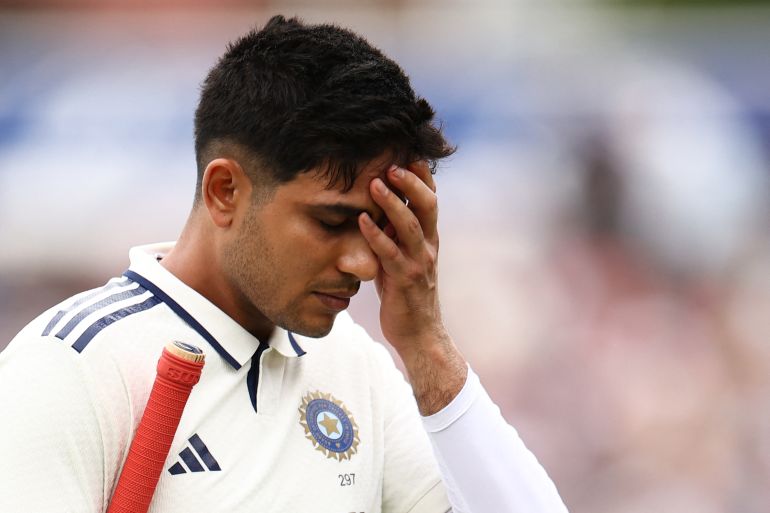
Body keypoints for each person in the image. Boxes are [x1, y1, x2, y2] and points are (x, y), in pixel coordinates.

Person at [0, 15, 568, 513]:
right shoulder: (67, 369)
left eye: (380, 225)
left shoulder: (355, 365)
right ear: (225, 191)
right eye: (331, 221)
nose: (363, 263)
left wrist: (426, 346)